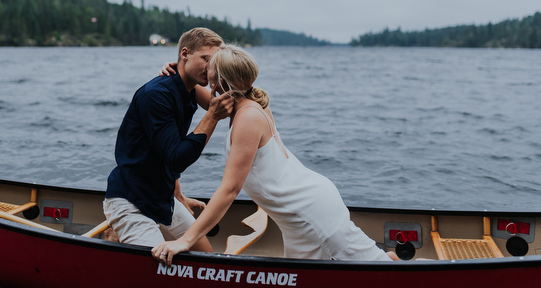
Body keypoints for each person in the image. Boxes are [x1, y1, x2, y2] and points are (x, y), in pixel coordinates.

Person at [152, 45, 399, 266]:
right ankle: (385, 258)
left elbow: (229, 190)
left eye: (210, 73)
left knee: (384, 276)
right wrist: (179, 73)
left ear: (220, 83)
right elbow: (201, 95)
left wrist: (185, 240)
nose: (206, 77)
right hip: (300, 214)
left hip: (310, 215)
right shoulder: (246, 100)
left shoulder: (247, 118)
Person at [103, 28, 234, 250]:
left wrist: (177, 192)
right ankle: (117, 232)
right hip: (131, 199)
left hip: (162, 196)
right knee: (159, 268)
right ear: (184, 54)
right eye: (206, 59)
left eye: (215, 62)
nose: (211, 67)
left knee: (206, 255)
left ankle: (119, 234)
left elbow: (230, 105)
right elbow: (177, 158)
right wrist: (211, 116)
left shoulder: (188, 87)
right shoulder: (157, 95)